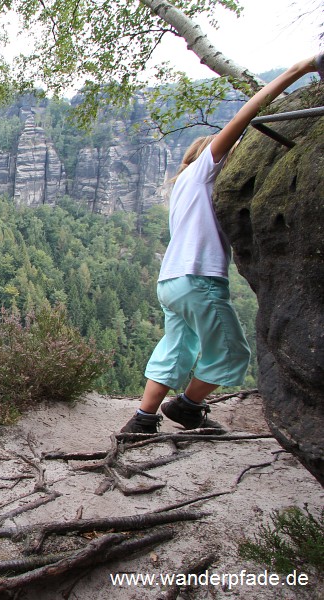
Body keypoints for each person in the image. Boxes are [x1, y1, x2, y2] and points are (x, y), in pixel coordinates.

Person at [121, 53, 322, 435]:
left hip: (170, 283)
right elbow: (244, 118)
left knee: (176, 348)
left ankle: (142, 421)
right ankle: (187, 406)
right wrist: (297, 69)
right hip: (198, 279)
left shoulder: (181, 187)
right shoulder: (203, 171)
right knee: (232, 353)